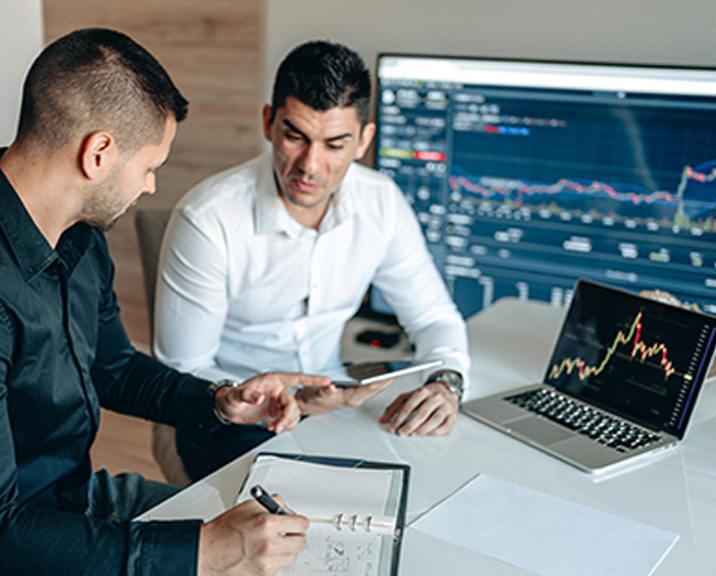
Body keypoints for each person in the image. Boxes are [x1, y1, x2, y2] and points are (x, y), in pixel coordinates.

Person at [0, 28, 332, 576]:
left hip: (78, 499)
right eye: (150, 165)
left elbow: (114, 367)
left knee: (292, 546)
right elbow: (5, 532)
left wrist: (220, 400)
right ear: (99, 153)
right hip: (28, 537)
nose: (152, 186)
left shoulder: (79, 235)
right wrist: (203, 551)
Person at [154, 40, 471, 481]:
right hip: (228, 415)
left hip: (331, 406)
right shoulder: (208, 219)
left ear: (364, 140)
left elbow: (435, 317)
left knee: (432, 473)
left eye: (335, 144)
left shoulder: (382, 204)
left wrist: (446, 383)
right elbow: (182, 374)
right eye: (295, 136)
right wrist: (288, 401)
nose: (310, 165)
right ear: (269, 122)